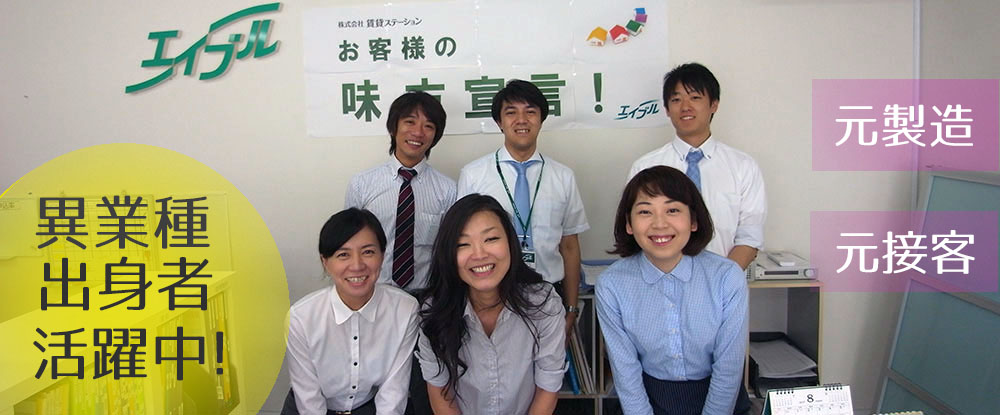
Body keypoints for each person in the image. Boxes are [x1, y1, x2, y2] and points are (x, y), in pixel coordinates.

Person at [597, 166, 750, 415]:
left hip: (721, 400)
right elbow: (625, 370)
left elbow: (729, 367)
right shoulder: (612, 284)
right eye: (645, 211)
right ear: (629, 224)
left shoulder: (726, 276)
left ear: (693, 221)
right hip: (647, 399)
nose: (659, 224)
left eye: (672, 210)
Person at [457, 79, 588, 332]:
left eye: (530, 112)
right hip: (492, 295)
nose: (521, 120)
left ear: (541, 119)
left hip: (549, 293)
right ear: (499, 122)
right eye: (511, 113)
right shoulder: (473, 175)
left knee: (549, 358)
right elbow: (461, 243)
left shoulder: (563, 176)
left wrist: (571, 308)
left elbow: (570, 246)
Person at [417, 194, 567, 415]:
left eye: (491, 239)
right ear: (449, 254)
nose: (479, 254)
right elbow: (440, 393)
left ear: (510, 243)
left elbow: (548, 387)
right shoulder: (434, 312)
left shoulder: (543, 305)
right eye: (463, 244)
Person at [628, 63, 766, 270]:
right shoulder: (645, 167)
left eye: (695, 97)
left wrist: (724, 280)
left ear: (714, 104)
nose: (685, 107)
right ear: (667, 109)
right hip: (660, 280)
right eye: (676, 100)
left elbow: (749, 235)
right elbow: (638, 231)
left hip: (723, 279)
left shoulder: (743, 166)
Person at [283, 208, 418, 415]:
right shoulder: (302, 317)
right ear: (325, 262)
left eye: (368, 252)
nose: (357, 265)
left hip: (369, 407)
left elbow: (393, 391)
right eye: (343, 255)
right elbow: (309, 401)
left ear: (383, 256)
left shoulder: (405, 309)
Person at [345, 90, 456, 294]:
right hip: (374, 291)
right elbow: (348, 243)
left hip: (426, 295)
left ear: (435, 136)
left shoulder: (448, 189)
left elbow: (449, 248)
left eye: (428, 126)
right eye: (410, 122)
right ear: (393, 127)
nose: (418, 132)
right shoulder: (362, 184)